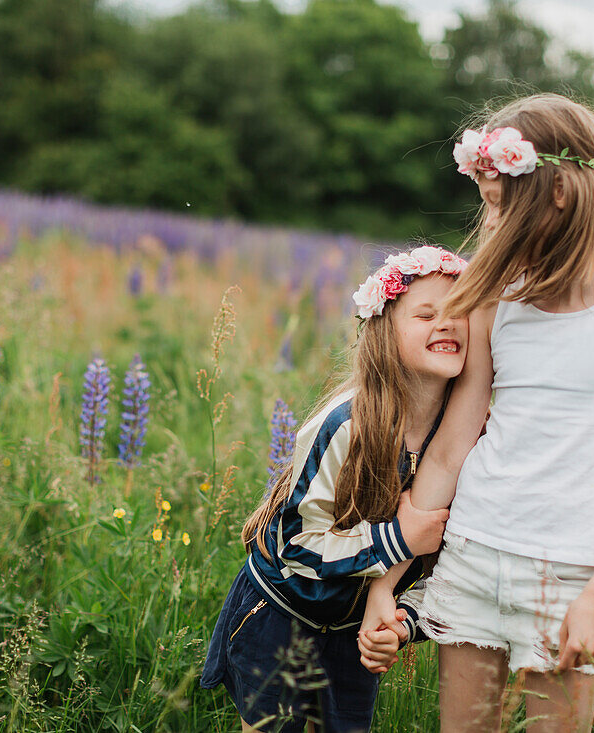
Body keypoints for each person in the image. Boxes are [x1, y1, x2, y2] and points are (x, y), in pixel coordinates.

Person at [358, 94, 594, 733]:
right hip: (475, 552)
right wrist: (384, 576)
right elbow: (456, 443)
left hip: (571, 575)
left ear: (559, 191)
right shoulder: (500, 294)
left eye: (503, 205)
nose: (491, 226)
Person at [200, 244, 470, 732]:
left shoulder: (465, 439)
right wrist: (397, 540)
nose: (446, 323)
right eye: (426, 314)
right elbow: (298, 545)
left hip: (353, 631)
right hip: (282, 611)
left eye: (459, 312)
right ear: (385, 332)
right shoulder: (347, 424)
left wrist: (404, 621)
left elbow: (455, 563)